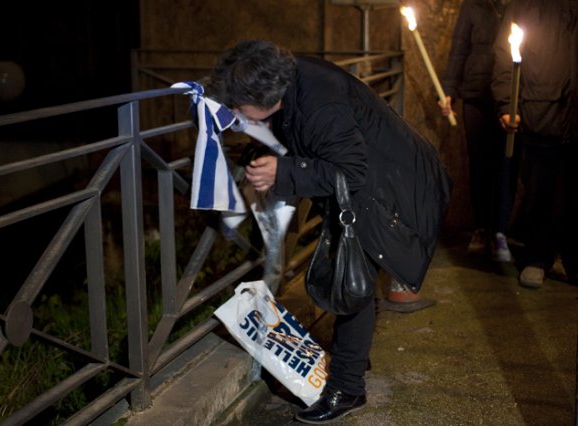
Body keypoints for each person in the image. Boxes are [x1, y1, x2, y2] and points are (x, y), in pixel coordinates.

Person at [207, 39, 451, 424]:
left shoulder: (321, 107)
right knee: (356, 276)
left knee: (350, 282)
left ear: (266, 97)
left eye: (238, 107)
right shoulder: (289, 79)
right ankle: (354, 357)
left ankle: (347, 389)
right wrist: (267, 156)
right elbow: (298, 134)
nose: (234, 116)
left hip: (392, 187)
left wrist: (283, 172)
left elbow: (351, 173)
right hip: (381, 175)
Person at [491, 0, 578, 288]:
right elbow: (505, 53)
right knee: (540, 192)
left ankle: (571, 259)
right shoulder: (524, 4)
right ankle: (536, 258)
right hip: (541, 111)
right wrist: (507, 103)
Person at [439, 0, 519, 262]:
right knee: (479, 165)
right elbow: (459, 49)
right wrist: (449, 90)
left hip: (511, 96)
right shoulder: (473, 5)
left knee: (507, 163)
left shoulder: (521, 5)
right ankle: (482, 228)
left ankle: (500, 231)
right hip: (477, 94)